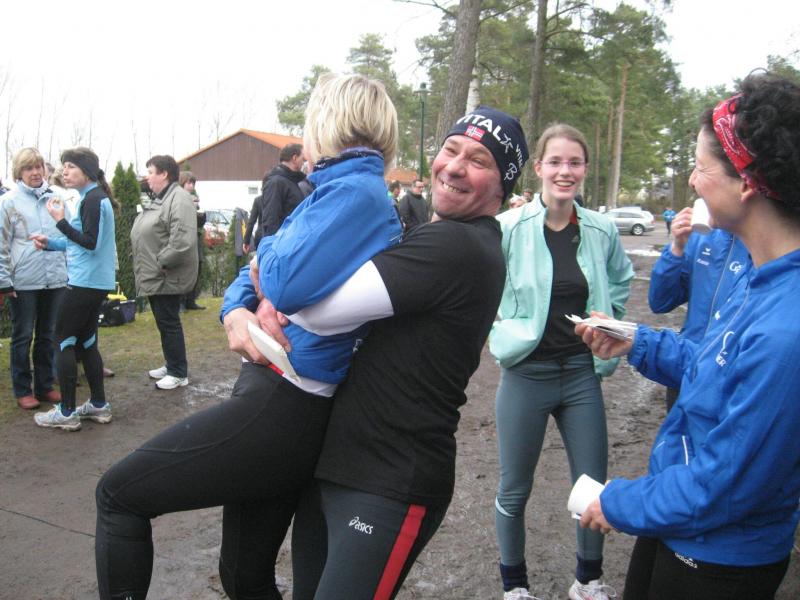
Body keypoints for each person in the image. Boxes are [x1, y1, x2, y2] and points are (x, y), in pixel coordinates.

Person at [94, 73, 403, 600]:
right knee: (243, 575)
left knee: (118, 495)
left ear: (327, 121)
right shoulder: (335, 189)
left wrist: (265, 264)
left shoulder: (355, 194)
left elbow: (278, 275)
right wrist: (238, 309)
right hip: (277, 397)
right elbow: (253, 273)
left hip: (285, 404)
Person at [264, 105, 527, 599]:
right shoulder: (430, 234)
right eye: (451, 150)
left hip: (391, 481)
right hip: (338, 465)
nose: (454, 167)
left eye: (478, 161)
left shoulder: (459, 246)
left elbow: (317, 315)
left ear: (502, 185)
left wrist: (270, 277)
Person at [577, 73, 800, 600]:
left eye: (701, 168)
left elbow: (726, 483)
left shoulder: (786, 329)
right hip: (679, 526)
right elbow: (716, 365)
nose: (694, 183)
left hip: (719, 559)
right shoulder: (757, 276)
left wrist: (618, 502)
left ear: (747, 183)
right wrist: (638, 341)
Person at [489, 123, 634, 600]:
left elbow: (620, 279)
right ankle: (515, 586)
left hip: (580, 375)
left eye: (574, 162)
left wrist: (608, 319)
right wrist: (501, 328)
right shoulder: (508, 228)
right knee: (514, 490)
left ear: (585, 169)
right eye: (555, 162)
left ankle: (588, 581)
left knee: (591, 486)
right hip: (525, 374)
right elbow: (481, 286)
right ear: (539, 168)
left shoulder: (600, 230)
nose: (564, 171)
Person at [30, 147, 117, 431]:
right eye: (63, 167)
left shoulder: (93, 200)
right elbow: (82, 241)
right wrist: (51, 243)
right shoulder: (92, 198)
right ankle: (98, 404)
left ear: (86, 171)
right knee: (86, 342)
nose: (64, 172)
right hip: (94, 282)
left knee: (62, 341)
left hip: (84, 283)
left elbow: (90, 243)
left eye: (70, 166)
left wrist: (59, 221)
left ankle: (67, 412)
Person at [647, 206, 750, 411]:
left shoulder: (764, 243)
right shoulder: (702, 237)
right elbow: (660, 301)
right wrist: (677, 248)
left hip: (733, 377)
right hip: (687, 366)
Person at [0, 148, 67, 410]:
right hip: (23, 281)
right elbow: (2, 244)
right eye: (29, 168)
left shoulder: (57, 198)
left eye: (39, 167)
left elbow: (67, 236)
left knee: (48, 335)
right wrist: (4, 281)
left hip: (55, 278)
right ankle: (22, 389)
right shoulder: (8, 202)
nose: (36, 172)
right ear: (19, 172)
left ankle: (45, 385)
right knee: (23, 335)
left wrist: (68, 271)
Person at [130, 155, 199, 390]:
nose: (147, 177)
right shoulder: (164, 198)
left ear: (164, 174)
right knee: (164, 321)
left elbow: (182, 239)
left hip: (167, 273)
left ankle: (178, 373)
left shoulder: (179, 199)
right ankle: (172, 364)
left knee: (169, 322)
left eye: (151, 172)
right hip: (157, 272)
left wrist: (162, 261)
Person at [243, 143, 308, 253]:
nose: (304, 162)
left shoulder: (292, 182)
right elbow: (270, 221)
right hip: (282, 249)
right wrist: (272, 253)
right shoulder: (276, 183)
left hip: (292, 245)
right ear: (294, 158)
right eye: (303, 158)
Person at [178, 170, 206, 310]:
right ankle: (181, 302)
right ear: (182, 183)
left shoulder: (194, 198)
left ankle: (191, 301)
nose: (191, 186)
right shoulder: (178, 200)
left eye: (193, 183)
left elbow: (199, 223)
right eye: (189, 183)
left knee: (197, 269)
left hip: (195, 239)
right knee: (184, 272)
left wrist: (200, 213)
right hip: (184, 240)